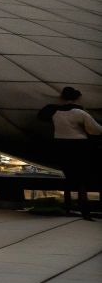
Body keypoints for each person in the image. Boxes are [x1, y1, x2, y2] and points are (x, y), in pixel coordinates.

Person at [44, 87, 100, 220]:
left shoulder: (55, 112)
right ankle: (85, 211)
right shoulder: (80, 113)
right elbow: (95, 130)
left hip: (60, 145)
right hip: (79, 146)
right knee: (82, 180)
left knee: (68, 176)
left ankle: (67, 207)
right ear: (78, 98)